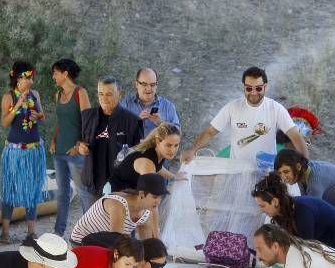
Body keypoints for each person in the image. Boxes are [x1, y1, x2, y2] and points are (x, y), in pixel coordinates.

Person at [180, 66, 308, 164]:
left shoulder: (276, 109)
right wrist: (192, 150)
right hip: (237, 169)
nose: (253, 93)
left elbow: (295, 136)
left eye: (258, 88)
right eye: (249, 88)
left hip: (266, 169)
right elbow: (210, 132)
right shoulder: (232, 107)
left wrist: (304, 163)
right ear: (243, 87)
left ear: (265, 87)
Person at [273, 148, 335, 264]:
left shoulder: (315, 181)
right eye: (280, 173)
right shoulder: (302, 175)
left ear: (298, 167)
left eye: (286, 172)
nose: (283, 177)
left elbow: (313, 216)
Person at [251, 173, 335, 260]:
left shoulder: (302, 213)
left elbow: (307, 253)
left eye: (263, 206)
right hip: (325, 245)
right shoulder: (280, 213)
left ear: (275, 201)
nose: (261, 210)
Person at [0, 61, 47, 244]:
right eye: (27, 77)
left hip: (34, 150)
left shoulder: (35, 95)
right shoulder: (8, 97)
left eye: (31, 78)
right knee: (9, 189)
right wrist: (18, 104)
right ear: (17, 78)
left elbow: (42, 117)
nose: (30, 81)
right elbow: (5, 122)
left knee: (33, 189)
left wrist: (38, 116)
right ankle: (5, 232)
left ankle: (31, 232)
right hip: (14, 151)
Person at [77, 76, 143, 202]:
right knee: (93, 222)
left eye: (109, 94)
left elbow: (139, 156)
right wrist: (80, 147)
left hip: (121, 189)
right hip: (92, 186)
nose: (103, 99)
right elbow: (80, 141)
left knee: (116, 222)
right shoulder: (87, 116)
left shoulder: (133, 121)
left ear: (120, 94)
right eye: (100, 94)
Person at [49, 58, 93, 226]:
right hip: (59, 152)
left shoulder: (80, 92)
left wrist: (78, 145)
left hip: (76, 153)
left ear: (65, 73)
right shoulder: (58, 95)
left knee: (83, 192)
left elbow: (88, 122)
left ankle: (89, 230)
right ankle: (59, 232)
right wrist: (53, 140)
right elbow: (60, 122)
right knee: (62, 193)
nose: (53, 76)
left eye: (55, 72)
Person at [70, 172, 166, 244]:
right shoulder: (118, 204)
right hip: (81, 241)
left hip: (104, 242)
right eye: (155, 197)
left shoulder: (147, 212)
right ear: (141, 194)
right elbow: (117, 243)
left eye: (160, 197)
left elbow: (147, 245)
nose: (158, 201)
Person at [110, 123, 180, 192]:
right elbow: (147, 195)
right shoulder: (147, 162)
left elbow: (159, 167)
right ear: (158, 141)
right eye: (168, 145)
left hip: (131, 190)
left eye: (176, 145)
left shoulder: (158, 152)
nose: (173, 150)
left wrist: (174, 177)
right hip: (120, 194)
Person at [120, 68, 180, 137]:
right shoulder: (125, 105)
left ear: (156, 85)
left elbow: (178, 135)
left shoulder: (168, 106)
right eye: (144, 84)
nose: (148, 88)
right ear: (136, 84)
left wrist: (162, 124)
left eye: (152, 85)